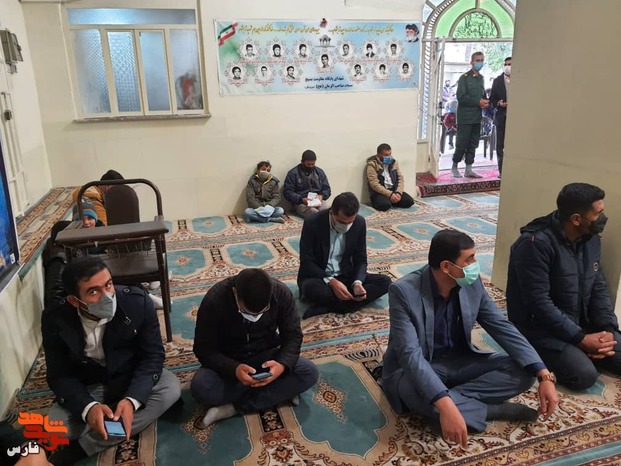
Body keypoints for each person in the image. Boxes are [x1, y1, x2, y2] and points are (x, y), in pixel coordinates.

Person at [381, 229, 559, 446]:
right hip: (419, 366)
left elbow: (501, 326)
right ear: (446, 266)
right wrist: (446, 405)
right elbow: (410, 355)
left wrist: (543, 375)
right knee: (412, 390)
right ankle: (492, 410)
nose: (475, 264)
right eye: (469, 259)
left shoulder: (471, 283)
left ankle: (449, 406)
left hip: (460, 360)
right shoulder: (403, 291)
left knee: (523, 372)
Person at [41, 257, 181, 465]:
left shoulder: (136, 302)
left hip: (129, 376)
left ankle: (85, 446)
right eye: (93, 292)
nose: (107, 296)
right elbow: (59, 374)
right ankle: (111, 418)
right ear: (74, 301)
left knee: (170, 388)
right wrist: (88, 408)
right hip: (90, 384)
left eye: (108, 285)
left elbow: (152, 356)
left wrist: (133, 399)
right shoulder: (54, 318)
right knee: (55, 426)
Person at [507, 183, 621, 390]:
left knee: (613, 345)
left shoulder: (591, 239)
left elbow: (598, 286)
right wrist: (580, 339)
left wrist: (608, 329)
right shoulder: (534, 244)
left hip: (579, 322)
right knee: (584, 376)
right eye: (598, 214)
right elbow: (539, 303)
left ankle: (586, 350)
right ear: (576, 219)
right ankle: (538, 352)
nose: (603, 218)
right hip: (540, 330)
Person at [191, 268, 319, 428]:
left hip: (266, 355)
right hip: (229, 360)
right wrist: (233, 369)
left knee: (309, 372)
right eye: (246, 312)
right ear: (235, 293)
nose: (254, 317)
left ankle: (234, 407)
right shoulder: (215, 300)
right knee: (201, 387)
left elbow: (293, 336)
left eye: (262, 311)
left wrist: (281, 365)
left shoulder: (281, 294)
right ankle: (280, 391)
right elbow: (203, 349)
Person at [297, 192, 391, 319]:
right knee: (311, 289)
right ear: (331, 212)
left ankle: (331, 307)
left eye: (350, 222)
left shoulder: (359, 223)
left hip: (346, 274)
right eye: (341, 222)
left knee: (385, 282)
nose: (346, 226)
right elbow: (307, 261)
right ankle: (347, 304)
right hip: (320, 276)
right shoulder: (313, 223)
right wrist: (331, 281)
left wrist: (357, 282)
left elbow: (361, 258)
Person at [452, 52, 489, 179]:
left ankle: (469, 169)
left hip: (476, 117)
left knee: (473, 143)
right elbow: (461, 97)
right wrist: (477, 102)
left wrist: (485, 102)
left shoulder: (481, 78)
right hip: (465, 117)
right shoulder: (464, 78)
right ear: (471, 62)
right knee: (462, 143)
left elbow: (482, 95)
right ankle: (454, 166)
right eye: (477, 60)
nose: (480, 62)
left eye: (482, 60)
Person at [366, 143, 414, 211]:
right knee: (385, 205)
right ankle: (388, 201)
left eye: (390, 154)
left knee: (409, 201)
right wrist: (390, 195)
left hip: (393, 190)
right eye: (386, 155)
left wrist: (398, 193)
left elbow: (400, 178)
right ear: (379, 155)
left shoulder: (394, 162)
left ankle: (392, 200)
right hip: (380, 192)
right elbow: (374, 184)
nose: (389, 157)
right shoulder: (372, 164)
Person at [283, 150, 331, 218]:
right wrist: (301, 199)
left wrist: (322, 196)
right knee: (314, 213)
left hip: (318, 200)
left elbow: (327, 188)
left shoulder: (319, 172)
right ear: (302, 162)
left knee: (328, 212)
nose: (311, 166)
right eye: (308, 164)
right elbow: (287, 192)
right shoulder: (293, 173)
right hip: (301, 203)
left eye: (313, 164)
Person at [489, 56, 511, 177]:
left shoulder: (521, 80)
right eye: (506, 64)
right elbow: (492, 99)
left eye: (510, 64)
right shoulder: (497, 81)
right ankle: (502, 171)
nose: (508, 67)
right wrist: (499, 103)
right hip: (501, 117)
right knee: (500, 145)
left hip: (515, 119)